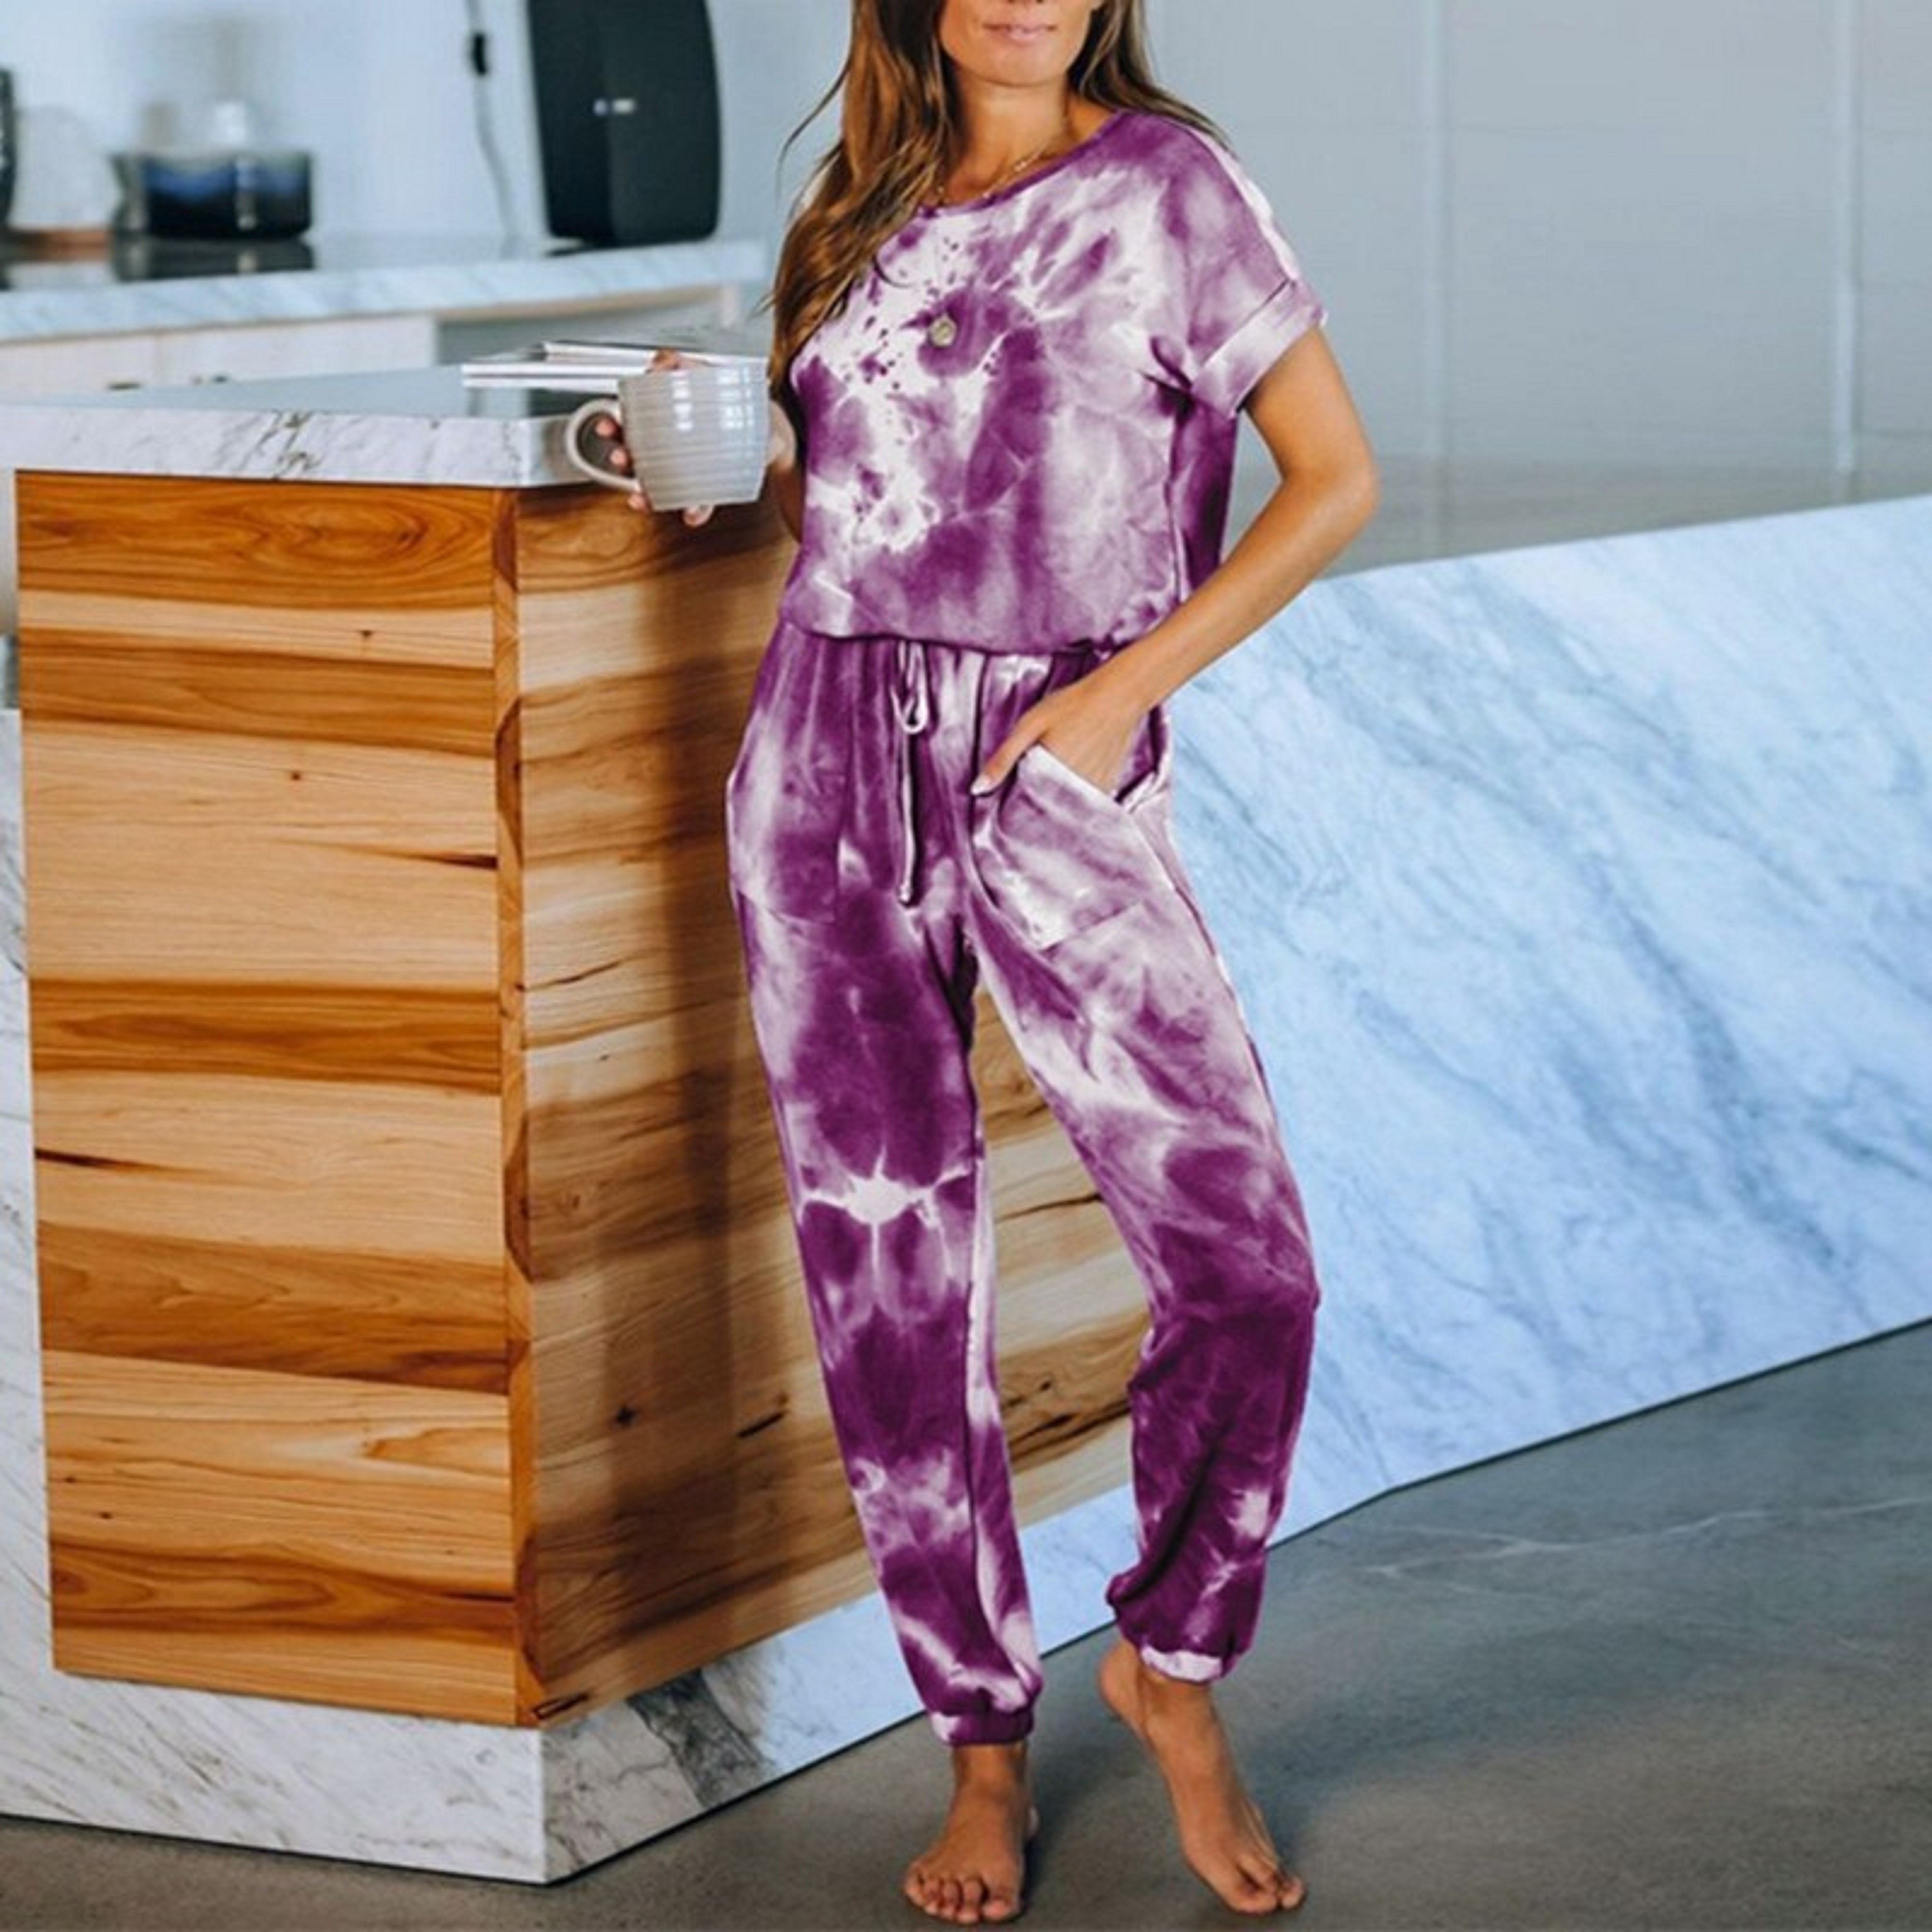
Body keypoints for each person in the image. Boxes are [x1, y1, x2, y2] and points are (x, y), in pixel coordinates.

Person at [593, 1, 1378, 1919]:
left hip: (1053, 753)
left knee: (1247, 1264)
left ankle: (1171, 1661)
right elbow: (842, 506)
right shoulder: (854, 205)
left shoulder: (1171, 187)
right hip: (821, 761)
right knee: (892, 1274)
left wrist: (1116, 696)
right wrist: (683, 446)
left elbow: (1333, 482)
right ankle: (979, 1743)